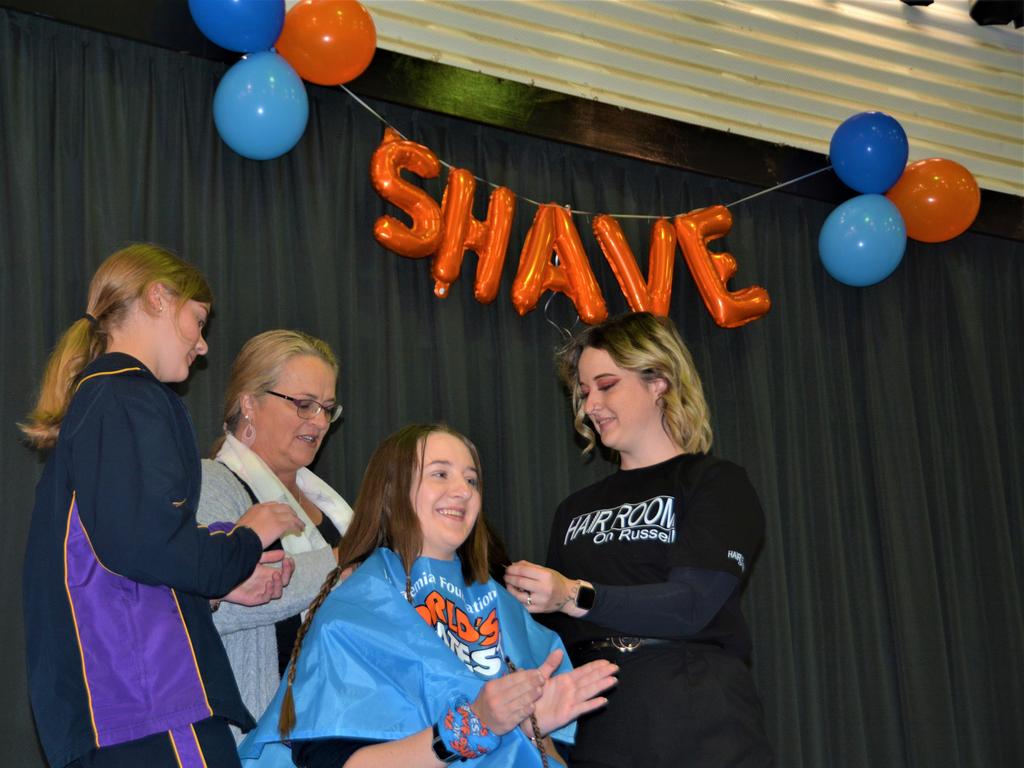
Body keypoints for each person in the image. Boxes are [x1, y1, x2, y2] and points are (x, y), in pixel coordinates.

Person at [21, 244, 305, 768]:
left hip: (119, 702)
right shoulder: (128, 397)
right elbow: (146, 545)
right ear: (157, 298)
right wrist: (242, 540)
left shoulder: (98, 404)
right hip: (148, 695)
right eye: (197, 322)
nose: (202, 346)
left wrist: (218, 582)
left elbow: (118, 551)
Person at [239, 424, 619, 768]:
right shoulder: (353, 613)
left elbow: (542, 754)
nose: (462, 491)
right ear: (391, 493)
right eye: (440, 474)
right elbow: (331, 762)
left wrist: (535, 728)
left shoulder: (504, 609)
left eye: (472, 480)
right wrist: (470, 728)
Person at [504, 312, 773, 767]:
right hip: (598, 724)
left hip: (693, 711)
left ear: (659, 381)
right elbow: (549, 640)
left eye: (607, 385)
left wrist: (573, 594)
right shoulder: (572, 511)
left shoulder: (714, 483)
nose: (592, 405)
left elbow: (691, 604)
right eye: (585, 392)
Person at [197, 330, 353, 741]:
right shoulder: (211, 484)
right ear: (249, 402)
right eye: (304, 405)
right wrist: (344, 564)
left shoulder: (333, 506)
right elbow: (208, 605)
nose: (318, 422)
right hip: (255, 736)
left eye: (327, 409)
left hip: (338, 727)